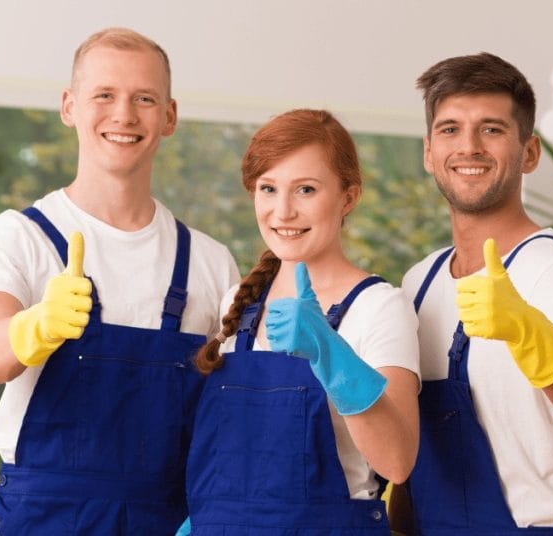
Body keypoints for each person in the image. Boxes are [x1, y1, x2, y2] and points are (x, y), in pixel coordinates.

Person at [0, 27, 239, 535]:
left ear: (170, 116)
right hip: (45, 517)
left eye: (145, 98)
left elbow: (230, 416)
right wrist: (36, 326)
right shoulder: (20, 237)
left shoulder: (210, 262)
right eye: (104, 95)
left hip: (169, 517)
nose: (124, 115)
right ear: (69, 106)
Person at [396, 53, 553, 533]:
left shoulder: (550, 268)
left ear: (529, 153)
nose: (468, 147)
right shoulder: (420, 281)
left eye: (491, 129)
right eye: (450, 129)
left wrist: (527, 330)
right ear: (429, 151)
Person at [177, 109, 420, 534]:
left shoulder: (379, 307)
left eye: (306, 189)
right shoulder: (238, 304)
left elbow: (398, 462)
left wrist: (329, 351)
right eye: (268, 189)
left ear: (348, 198)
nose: (283, 211)